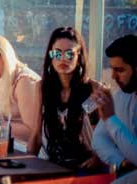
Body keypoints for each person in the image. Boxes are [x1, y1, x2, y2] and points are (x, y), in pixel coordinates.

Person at [28, 27, 103, 172]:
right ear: (51, 56)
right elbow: (36, 134)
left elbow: (104, 134)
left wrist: (98, 159)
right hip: (52, 165)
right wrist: (25, 167)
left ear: (79, 56)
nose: (62, 59)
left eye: (69, 54)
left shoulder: (93, 89)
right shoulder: (42, 87)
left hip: (85, 167)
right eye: (57, 53)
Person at [92, 35, 137, 182]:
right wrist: (121, 161)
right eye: (112, 69)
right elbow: (99, 138)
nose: (113, 76)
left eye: (120, 70)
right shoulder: (121, 95)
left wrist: (110, 118)